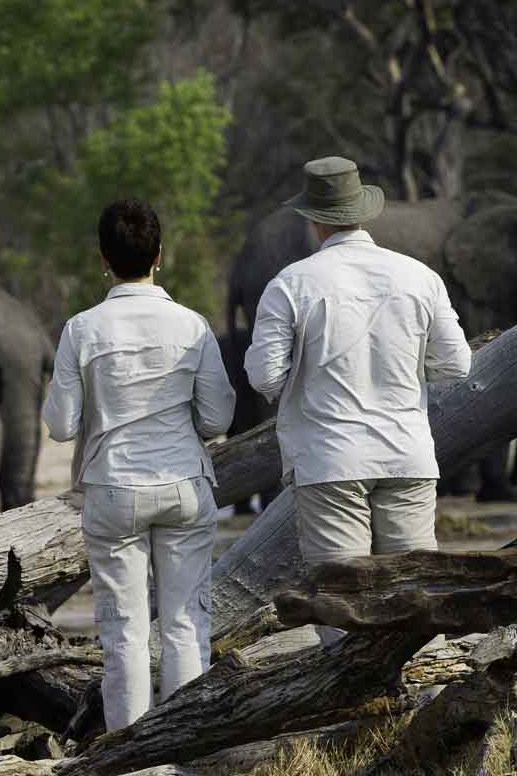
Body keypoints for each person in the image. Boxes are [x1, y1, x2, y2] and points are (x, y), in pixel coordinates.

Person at [42, 199, 235, 731]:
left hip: (112, 490)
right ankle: (184, 744)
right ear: (160, 256)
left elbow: (60, 425)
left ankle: (130, 752)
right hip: (184, 487)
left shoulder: (82, 329)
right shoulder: (192, 325)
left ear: (104, 260)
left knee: (122, 629)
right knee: (185, 622)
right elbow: (219, 416)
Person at [245, 157, 472, 592]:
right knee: (417, 597)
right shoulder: (421, 276)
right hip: (407, 455)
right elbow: (457, 365)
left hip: (329, 460)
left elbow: (264, 378)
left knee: (344, 601)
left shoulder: (290, 283)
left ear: (314, 220)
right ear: (365, 212)